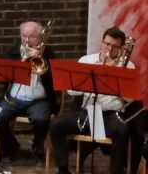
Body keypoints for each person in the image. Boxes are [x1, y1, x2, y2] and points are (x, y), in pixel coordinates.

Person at [49, 27, 136, 174]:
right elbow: (71, 90)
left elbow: (130, 99)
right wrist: (89, 82)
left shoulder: (128, 66)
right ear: (101, 43)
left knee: (122, 131)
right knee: (56, 124)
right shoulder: (86, 60)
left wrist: (115, 72)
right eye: (107, 44)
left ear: (121, 49)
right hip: (87, 112)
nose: (109, 49)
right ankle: (63, 169)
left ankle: (116, 171)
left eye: (115, 47)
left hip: (111, 115)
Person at [0, 21, 57, 165]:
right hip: (14, 98)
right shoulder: (12, 52)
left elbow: (55, 81)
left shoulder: (48, 54)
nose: (27, 40)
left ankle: (38, 148)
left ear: (40, 37)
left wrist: (42, 62)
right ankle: (10, 146)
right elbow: (3, 77)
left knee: (41, 119)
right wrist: (22, 63)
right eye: (24, 36)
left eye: (31, 36)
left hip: (39, 100)